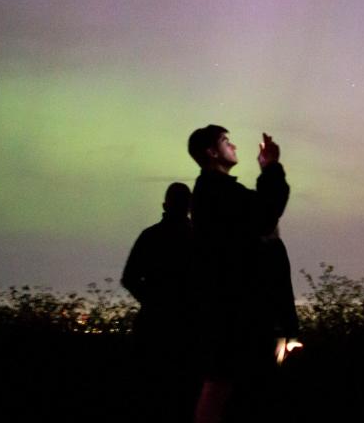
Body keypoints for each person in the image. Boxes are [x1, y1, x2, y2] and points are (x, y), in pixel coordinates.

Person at [187, 125, 299, 422]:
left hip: (229, 310)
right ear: (212, 152)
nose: (233, 146)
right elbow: (266, 211)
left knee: (221, 387)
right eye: (225, 142)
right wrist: (271, 167)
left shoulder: (213, 191)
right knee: (226, 387)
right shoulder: (217, 191)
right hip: (234, 312)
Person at [121, 182, 202, 423]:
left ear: (165, 205)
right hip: (189, 331)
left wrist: (153, 301)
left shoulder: (150, 236)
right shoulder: (199, 239)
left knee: (152, 399)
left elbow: (129, 278)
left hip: (153, 329)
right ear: (189, 206)